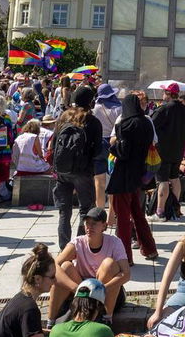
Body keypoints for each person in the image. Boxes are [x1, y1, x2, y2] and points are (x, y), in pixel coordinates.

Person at [50, 207, 129, 321]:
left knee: (109, 264)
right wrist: (76, 288)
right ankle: (51, 321)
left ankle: (106, 318)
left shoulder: (115, 242)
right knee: (65, 266)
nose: (89, 227)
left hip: (107, 293)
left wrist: (100, 289)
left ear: (104, 226)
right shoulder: (77, 242)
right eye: (87, 223)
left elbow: (126, 274)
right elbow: (54, 265)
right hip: (82, 291)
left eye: (94, 223)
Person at [106, 94, 158, 263]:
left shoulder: (125, 125)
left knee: (122, 219)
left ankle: (124, 257)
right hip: (139, 175)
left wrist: (113, 148)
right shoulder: (147, 123)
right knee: (138, 214)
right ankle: (150, 249)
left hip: (123, 176)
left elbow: (123, 152)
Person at [51, 98, 102, 249]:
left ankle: (64, 247)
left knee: (64, 211)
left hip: (62, 170)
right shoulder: (92, 121)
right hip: (83, 171)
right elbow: (98, 150)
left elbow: (54, 144)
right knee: (85, 209)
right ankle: (80, 245)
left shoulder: (64, 117)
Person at [151, 83, 185, 220]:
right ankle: (176, 209)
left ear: (168, 94)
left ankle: (160, 211)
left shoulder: (164, 109)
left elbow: (152, 126)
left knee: (162, 180)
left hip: (163, 150)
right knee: (175, 178)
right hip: (178, 150)